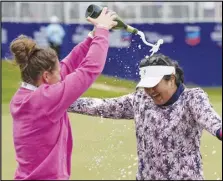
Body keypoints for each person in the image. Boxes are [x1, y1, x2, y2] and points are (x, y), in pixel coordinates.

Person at [68, 53, 222, 180]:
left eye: (154, 85)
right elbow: (102, 106)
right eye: (146, 86)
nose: (150, 90)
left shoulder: (192, 98)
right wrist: (62, 102)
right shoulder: (141, 99)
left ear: (172, 79)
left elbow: (210, 119)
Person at [9, 7, 118, 180]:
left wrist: (92, 36)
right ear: (46, 76)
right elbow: (89, 69)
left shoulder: (25, 96)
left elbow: (69, 64)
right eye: (57, 72)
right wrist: (103, 32)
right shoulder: (45, 99)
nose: (62, 74)